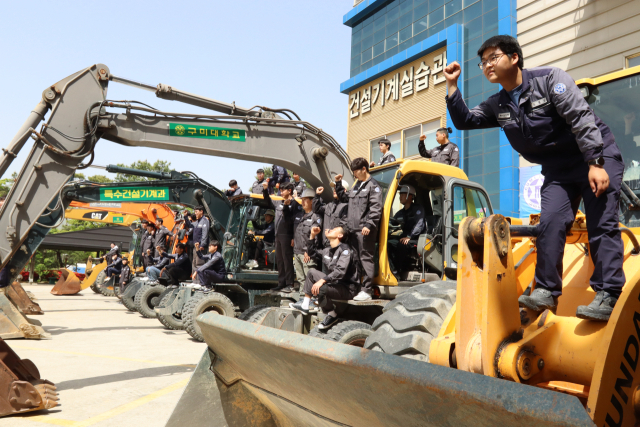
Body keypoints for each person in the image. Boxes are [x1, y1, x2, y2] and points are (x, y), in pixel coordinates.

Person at [444, 35, 625, 321]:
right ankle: (546, 291)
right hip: (558, 170)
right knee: (550, 223)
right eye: (483, 62)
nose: (487, 65)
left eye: (494, 57)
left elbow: (580, 118)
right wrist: (452, 85)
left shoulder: (550, 80)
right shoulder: (498, 104)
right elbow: (465, 120)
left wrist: (596, 162)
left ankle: (609, 293)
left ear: (514, 57)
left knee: (601, 222)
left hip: (594, 155)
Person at [290, 225, 360, 330]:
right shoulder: (327, 250)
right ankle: (305, 305)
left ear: (340, 235)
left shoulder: (345, 250)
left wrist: (322, 280)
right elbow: (311, 253)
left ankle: (332, 315)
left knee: (321, 288)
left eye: (335, 229)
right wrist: (312, 236)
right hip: (335, 284)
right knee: (311, 272)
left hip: (347, 288)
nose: (331, 229)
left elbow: (340, 271)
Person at [335, 157, 382, 301]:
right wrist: (337, 184)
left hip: (364, 229)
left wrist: (369, 224)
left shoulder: (373, 186)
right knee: (355, 259)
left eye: (356, 171)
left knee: (365, 258)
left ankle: (367, 290)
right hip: (353, 230)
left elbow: (376, 208)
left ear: (364, 169)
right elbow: (344, 198)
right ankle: (356, 288)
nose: (354, 175)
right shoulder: (357, 185)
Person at [263, 180, 299, 292]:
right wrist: (265, 189)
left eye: (283, 190)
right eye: (280, 190)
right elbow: (267, 201)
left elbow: (294, 222)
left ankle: (289, 284)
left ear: (290, 191)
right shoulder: (279, 203)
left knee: (287, 259)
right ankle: (281, 283)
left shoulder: (294, 204)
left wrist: (294, 237)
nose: (281, 192)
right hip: (277, 236)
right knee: (279, 260)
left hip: (287, 235)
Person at [387, 185, 425, 275]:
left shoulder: (418, 209)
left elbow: (419, 225)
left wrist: (409, 236)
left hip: (416, 239)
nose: (400, 197)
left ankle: (400, 270)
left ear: (410, 196)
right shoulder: (400, 212)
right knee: (388, 244)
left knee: (401, 245)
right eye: (400, 194)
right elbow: (392, 223)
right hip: (404, 237)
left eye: (403, 194)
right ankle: (393, 269)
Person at [292, 189, 323, 291]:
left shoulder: (316, 216)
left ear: (312, 201)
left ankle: (311, 300)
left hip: (307, 254)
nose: (303, 202)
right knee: (301, 279)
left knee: (309, 279)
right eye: (302, 200)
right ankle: (302, 300)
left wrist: (308, 251)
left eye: (305, 200)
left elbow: (316, 237)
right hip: (297, 252)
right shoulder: (299, 215)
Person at [190, 206, 210, 283]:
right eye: (194, 212)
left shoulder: (205, 221)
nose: (195, 213)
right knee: (194, 263)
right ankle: (194, 281)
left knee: (199, 264)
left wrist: (202, 245)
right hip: (196, 246)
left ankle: (200, 282)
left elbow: (205, 234)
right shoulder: (197, 221)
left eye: (196, 212)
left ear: (201, 211)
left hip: (200, 247)